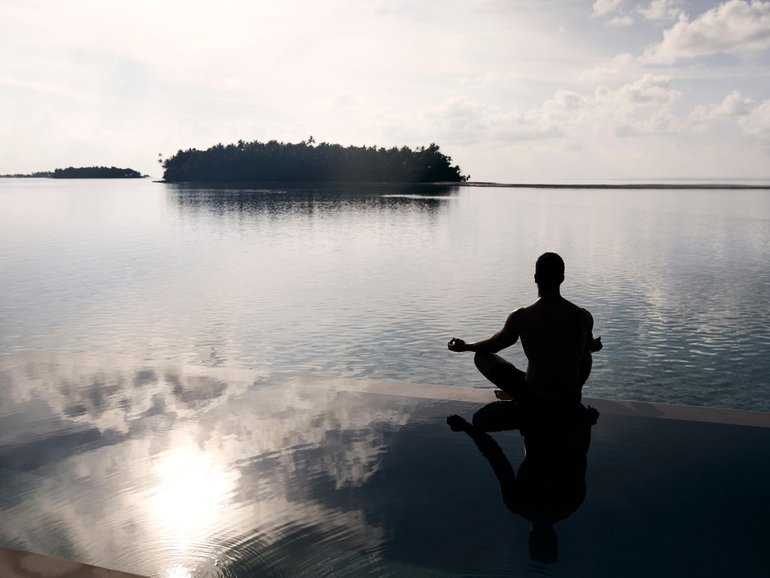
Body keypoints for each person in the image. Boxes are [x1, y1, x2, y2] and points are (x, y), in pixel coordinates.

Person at [448, 252, 602, 407]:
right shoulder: (583, 316)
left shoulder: (522, 316)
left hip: (533, 395)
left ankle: (516, 395)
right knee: (586, 353)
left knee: (481, 356)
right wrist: (592, 345)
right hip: (569, 397)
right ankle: (572, 402)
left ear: (535, 278)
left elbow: (493, 345)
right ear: (562, 279)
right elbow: (585, 347)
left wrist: (465, 346)